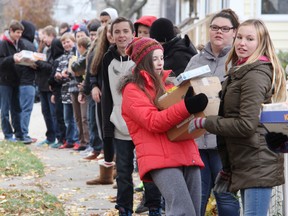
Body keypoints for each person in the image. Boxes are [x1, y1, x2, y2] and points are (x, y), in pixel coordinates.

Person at [188, 19, 286, 216]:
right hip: (245, 160)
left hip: (256, 162)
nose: (242, 43)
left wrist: (205, 123)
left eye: (250, 39)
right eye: (240, 37)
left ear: (261, 43)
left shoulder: (255, 74)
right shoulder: (240, 70)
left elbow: (246, 125)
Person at [120, 36, 208, 216]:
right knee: (182, 212)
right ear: (142, 61)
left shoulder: (170, 84)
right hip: (159, 157)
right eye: (154, 58)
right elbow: (153, 121)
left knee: (195, 211)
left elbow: (181, 119)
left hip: (186, 151)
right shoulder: (133, 89)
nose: (160, 63)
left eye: (161, 57)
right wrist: (187, 106)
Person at [184, 9, 240, 216]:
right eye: (215, 27)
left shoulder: (238, 62)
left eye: (225, 28)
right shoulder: (196, 61)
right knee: (197, 196)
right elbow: (183, 95)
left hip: (223, 142)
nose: (219, 32)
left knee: (225, 197)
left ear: (234, 32)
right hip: (196, 140)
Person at [0, 20, 24, 142]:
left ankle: (19, 134)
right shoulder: (3, 43)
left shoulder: (19, 44)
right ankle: (8, 135)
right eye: (17, 32)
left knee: (16, 108)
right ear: (11, 31)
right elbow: (2, 62)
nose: (19, 35)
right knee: (5, 109)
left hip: (16, 80)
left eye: (21, 33)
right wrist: (12, 58)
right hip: (4, 81)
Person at [35, 25, 59, 146]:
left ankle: (57, 137)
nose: (43, 39)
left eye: (45, 36)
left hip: (50, 85)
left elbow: (51, 67)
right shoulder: (43, 48)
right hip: (42, 84)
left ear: (51, 35)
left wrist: (39, 62)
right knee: (45, 112)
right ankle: (50, 137)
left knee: (53, 112)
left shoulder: (54, 48)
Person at [54, 32, 79, 149]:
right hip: (64, 93)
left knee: (75, 118)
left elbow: (76, 72)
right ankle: (69, 140)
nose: (66, 44)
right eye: (64, 43)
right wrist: (58, 75)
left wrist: (67, 74)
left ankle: (76, 140)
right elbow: (57, 71)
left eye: (68, 41)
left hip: (73, 91)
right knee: (67, 119)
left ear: (73, 42)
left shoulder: (76, 55)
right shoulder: (62, 58)